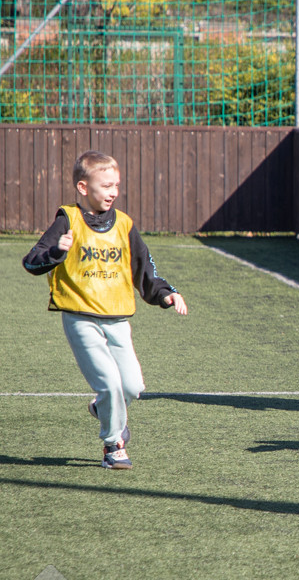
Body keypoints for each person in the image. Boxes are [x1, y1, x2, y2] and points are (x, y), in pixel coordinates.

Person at [22, 151, 189, 470]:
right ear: (83, 188)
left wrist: (165, 293)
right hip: (80, 318)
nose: (113, 192)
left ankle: (103, 409)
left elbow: (144, 268)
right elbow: (32, 261)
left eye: (116, 185)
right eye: (106, 186)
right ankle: (113, 445)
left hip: (118, 319)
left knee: (132, 387)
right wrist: (56, 251)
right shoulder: (67, 219)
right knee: (110, 382)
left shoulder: (124, 224)